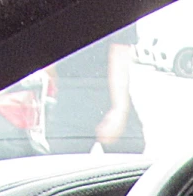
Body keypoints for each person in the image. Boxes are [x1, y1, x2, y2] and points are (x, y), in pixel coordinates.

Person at [51, 23, 145, 155]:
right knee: (129, 154)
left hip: (71, 96)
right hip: (105, 96)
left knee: (64, 158)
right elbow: (119, 53)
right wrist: (119, 110)